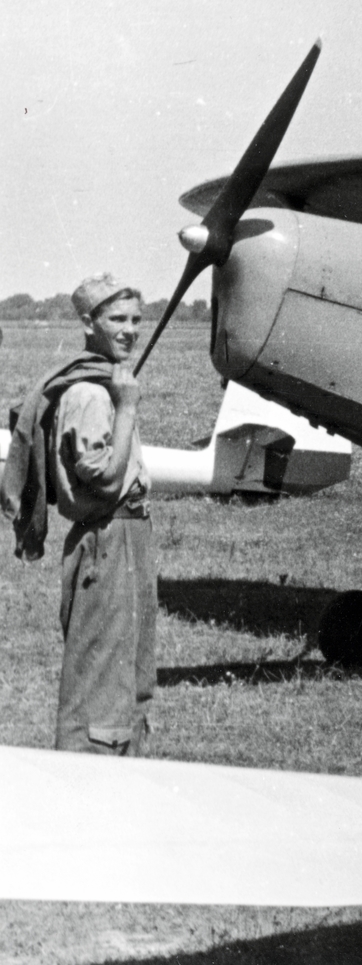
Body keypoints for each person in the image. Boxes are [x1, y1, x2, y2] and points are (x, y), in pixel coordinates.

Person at [1, 274, 156, 753]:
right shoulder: (90, 394)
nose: (130, 330)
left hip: (125, 536)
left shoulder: (100, 380)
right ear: (90, 323)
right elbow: (106, 482)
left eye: (136, 319)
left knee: (125, 671)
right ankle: (88, 782)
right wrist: (127, 407)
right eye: (117, 319)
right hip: (111, 538)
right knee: (101, 679)